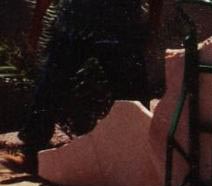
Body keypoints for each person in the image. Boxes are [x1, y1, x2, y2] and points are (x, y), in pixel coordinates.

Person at [17, 0, 163, 171]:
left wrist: (152, 26)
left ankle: (136, 157)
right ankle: (33, 152)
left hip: (120, 29)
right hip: (74, 24)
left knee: (132, 97)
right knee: (51, 85)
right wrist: (36, 26)